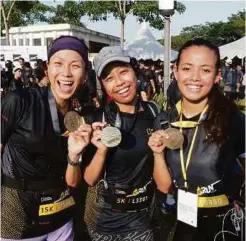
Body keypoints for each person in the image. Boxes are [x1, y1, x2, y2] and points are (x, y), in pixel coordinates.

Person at [149, 38, 245, 241]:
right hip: (182, 220)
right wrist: (157, 153)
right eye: (187, 68)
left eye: (205, 70)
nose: (195, 77)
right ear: (175, 71)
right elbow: (164, 186)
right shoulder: (165, 121)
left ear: (218, 76)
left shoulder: (233, 119)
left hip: (223, 222)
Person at [1, 35, 92, 241]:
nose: (66, 73)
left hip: (60, 217)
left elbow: (73, 181)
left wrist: (73, 156)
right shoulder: (19, 101)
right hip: (17, 217)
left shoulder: (81, 116)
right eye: (58, 64)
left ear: (85, 73)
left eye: (75, 66)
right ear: (47, 67)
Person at [82, 46, 172, 241]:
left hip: (142, 218)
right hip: (103, 220)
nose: (119, 82)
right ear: (103, 85)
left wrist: (158, 152)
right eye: (109, 78)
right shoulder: (97, 119)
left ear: (135, 72)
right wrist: (101, 151)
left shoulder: (155, 114)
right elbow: (89, 180)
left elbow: (164, 185)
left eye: (123, 72)